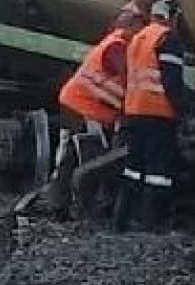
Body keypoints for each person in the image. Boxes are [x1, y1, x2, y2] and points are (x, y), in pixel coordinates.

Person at [47, 22, 139, 220]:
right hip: (85, 108)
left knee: (70, 157)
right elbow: (129, 76)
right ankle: (80, 211)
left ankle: (60, 206)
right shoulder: (118, 47)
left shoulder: (117, 43)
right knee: (90, 161)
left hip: (79, 105)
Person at [118, 0, 190, 231]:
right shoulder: (167, 39)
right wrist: (183, 112)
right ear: (172, 18)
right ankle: (150, 222)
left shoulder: (139, 37)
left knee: (133, 169)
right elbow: (171, 82)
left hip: (134, 111)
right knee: (157, 172)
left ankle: (125, 217)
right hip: (157, 114)